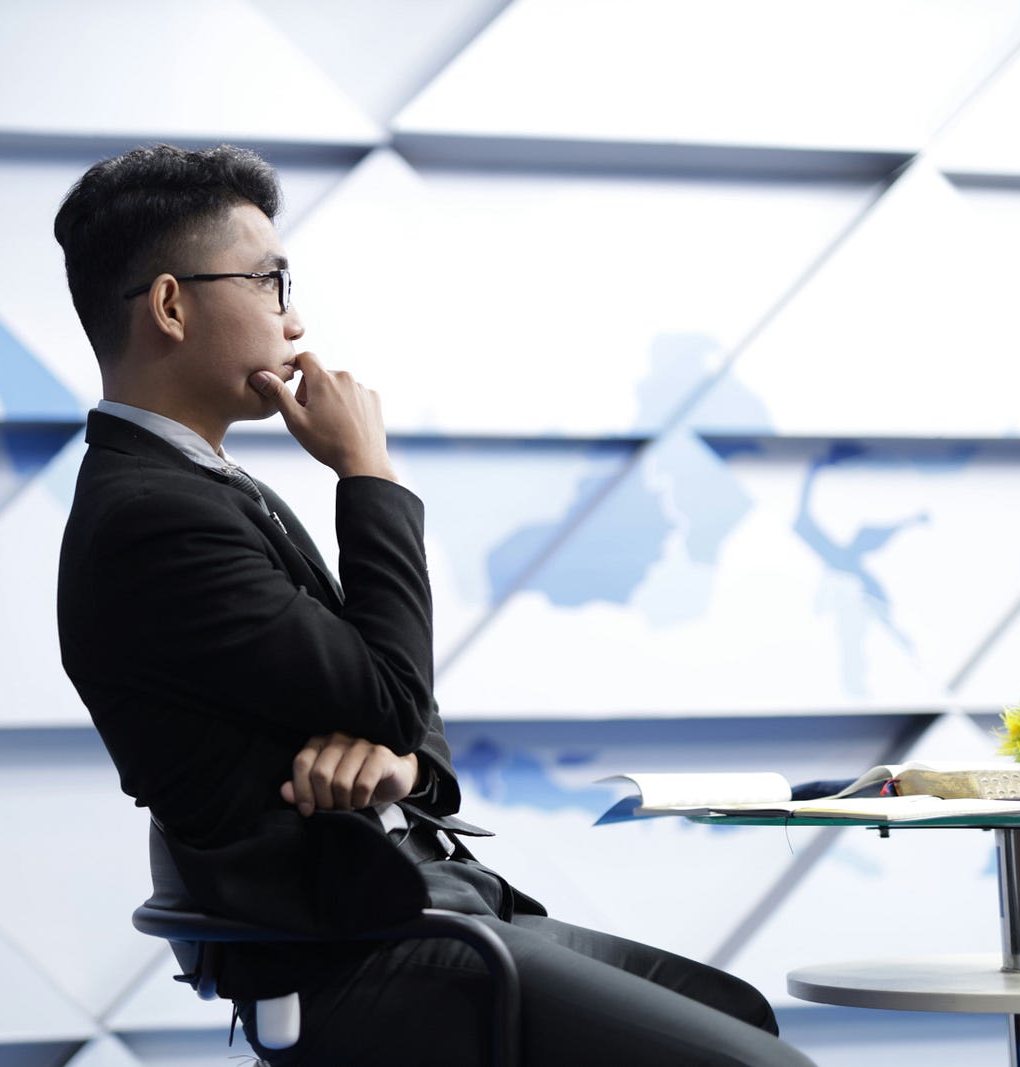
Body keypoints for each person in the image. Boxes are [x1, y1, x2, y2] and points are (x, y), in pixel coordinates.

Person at [53, 143, 815, 1067]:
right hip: (348, 948)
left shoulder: (204, 488)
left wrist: (402, 766)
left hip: (418, 905)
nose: (296, 320)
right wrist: (366, 472)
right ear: (172, 306)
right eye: (270, 282)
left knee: (740, 1014)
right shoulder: (154, 519)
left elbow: (409, 717)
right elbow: (394, 690)